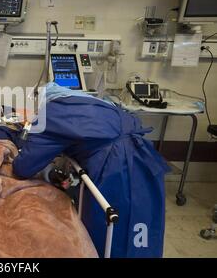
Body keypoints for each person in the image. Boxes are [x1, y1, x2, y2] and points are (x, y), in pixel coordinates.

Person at [12, 82, 170, 258]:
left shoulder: (51, 115)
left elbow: (23, 167)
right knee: (144, 225)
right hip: (144, 158)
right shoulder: (92, 103)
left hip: (116, 166)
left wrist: (29, 138)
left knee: (114, 231)